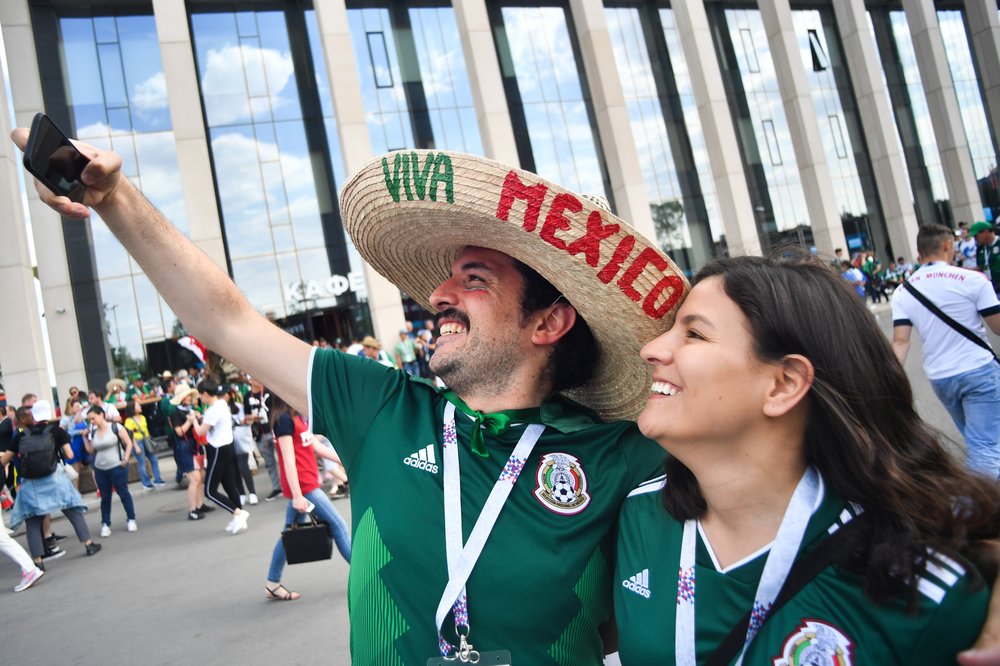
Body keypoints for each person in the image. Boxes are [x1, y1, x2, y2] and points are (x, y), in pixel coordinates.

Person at [12, 130, 1000, 662]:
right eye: (438, 283)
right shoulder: (375, 405)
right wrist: (115, 202)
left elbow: (824, 479)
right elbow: (226, 320)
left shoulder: (631, 458)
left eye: (472, 280)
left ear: (547, 323)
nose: (435, 294)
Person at [613, 251, 1000, 663]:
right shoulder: (638, 514)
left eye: (694, 334)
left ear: (783, 384)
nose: (651, 349)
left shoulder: (920, 590)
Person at [892, 224, 1000, 478]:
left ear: (919, 252)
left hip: (941, 378)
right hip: (979, 371)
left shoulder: (903, 291)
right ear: (948, 245)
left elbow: (900, 342)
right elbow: (997, 327)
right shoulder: (972, 279)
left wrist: (888, 378)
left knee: (979, 443)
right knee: (986, 448)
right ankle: (971, 511)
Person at [263, 391, 351, 601]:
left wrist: (347, 460)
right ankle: (367, 575)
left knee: (288, 533)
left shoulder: (296, 416)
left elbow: (316, 446)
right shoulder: (283, 419)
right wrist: (297, 495)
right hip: (304, 487)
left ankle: (272, 583)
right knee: (339, 527)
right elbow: (287, 459)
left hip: (306, 485)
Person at [1, 400, 100, 567]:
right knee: (73, 510)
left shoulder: (21, 435)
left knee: (32, 521)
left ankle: (38, 562)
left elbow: (5, 460)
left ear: (34, 416)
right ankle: (89, 544)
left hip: (31, 484)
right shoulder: (56, 431)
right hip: (55, 479)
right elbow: (69, 455)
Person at [190, 379, 249, 534]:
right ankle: (238, 517)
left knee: (210, 490)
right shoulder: (222, 404)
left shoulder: (213, 410)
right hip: (228, 448)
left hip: (217, 450)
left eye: (201, 396)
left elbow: (201, 431)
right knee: (229, 485)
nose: (200, 399)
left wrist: (193, 420)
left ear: (206, 394)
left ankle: (238, 513)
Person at [84, 404, 138, 536]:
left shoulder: (115, 427)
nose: (92, 421)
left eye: (93, 418)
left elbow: (128, 442)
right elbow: (91, 450)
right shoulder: (93, 432)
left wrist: (125, 459)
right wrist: (85, 438)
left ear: (101, 415)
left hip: (116, 465)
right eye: (89, 419)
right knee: (105, 497)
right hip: (100, 468)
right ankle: (105, 523)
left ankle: (131, 518)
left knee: (123, 492)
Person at [168, 383, 207, 521]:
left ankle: (200, 504)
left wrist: (198, 418)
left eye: (190, 395)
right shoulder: (176, 413)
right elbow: (179, 432)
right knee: (194, 479)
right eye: (187, 396)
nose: (189, 398)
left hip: (197, 444)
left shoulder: (192, 409)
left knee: (201, 477)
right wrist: (191, 421)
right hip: (185, 447)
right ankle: (192, 510)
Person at [244, 377, 280, 501]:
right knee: (269, 462)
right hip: (260, 433)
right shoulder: (247, 396)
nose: (258, 381)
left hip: (274, 429)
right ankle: (277, 487)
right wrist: (252, 417)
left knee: (284, 458)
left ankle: (290, 485)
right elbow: (245, 414)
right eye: (254, 378)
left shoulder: (268, 393)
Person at [124, 401, 165, 490]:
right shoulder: (129, 421)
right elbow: (130, 435)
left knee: (154, 459)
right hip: (137, 441)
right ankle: (146, 482)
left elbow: (146, 429)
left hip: (146, 439)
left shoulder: (142, 417)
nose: (140, 407)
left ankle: (158, 479)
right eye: (138, 405)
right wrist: (135, 446)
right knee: (141, 462)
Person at [972, 221, 1000, 295]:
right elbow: (981, 267)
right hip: (991, 287)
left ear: (985, 232)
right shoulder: (980, 248)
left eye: (976, 236)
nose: (975, 239)